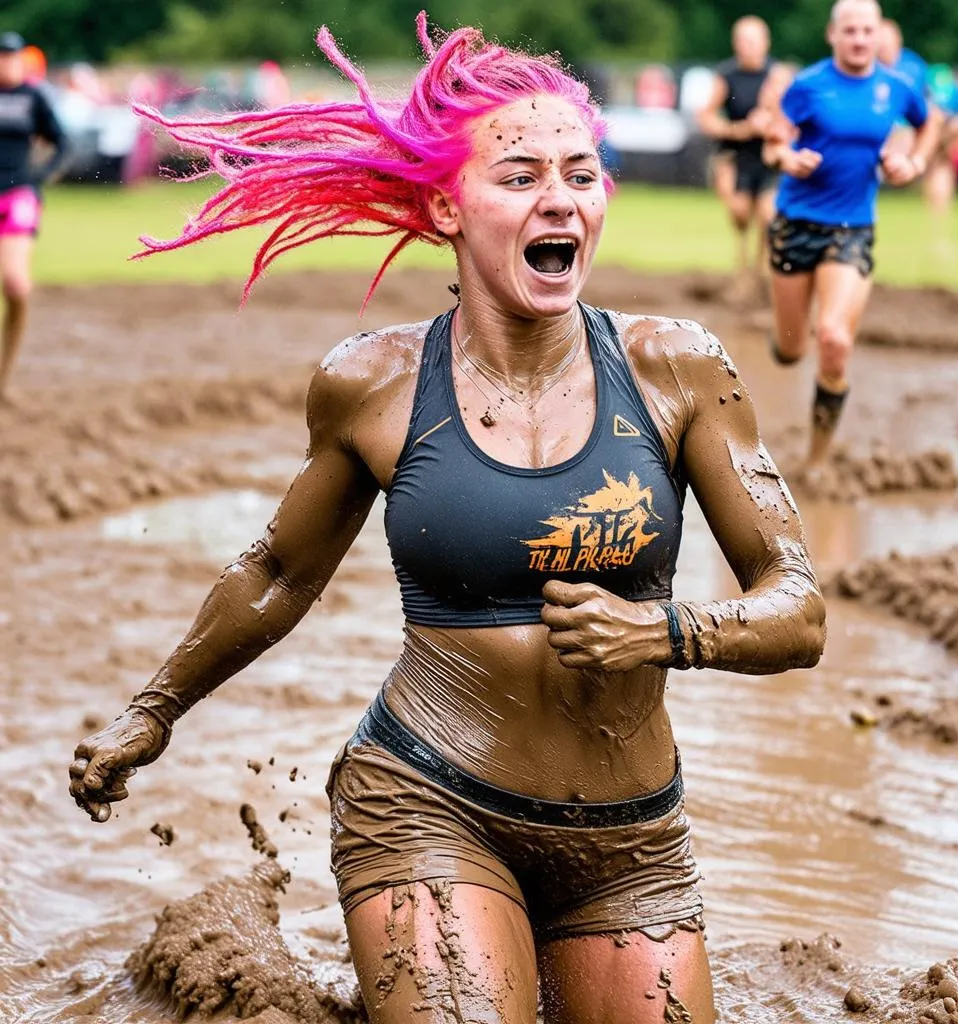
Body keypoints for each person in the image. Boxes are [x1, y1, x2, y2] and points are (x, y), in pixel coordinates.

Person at [68, 15, 825, 1024]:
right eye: (519, 176)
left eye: (580, 172)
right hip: (427, 800)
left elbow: (799, 607)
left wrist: (665, 630)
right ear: (444, 205)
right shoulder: (371, 382)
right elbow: (279, 573)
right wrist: (153, 710)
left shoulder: (675, 367)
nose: (560, 196)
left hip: (631, 843)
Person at [762, 0, 942, 468]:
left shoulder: (897, 87)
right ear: (833, 35)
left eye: (867, 31)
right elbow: (774, 141)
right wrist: (788, 158)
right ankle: (785, 338)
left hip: (853, 228)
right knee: (789, 349)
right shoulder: (808, 86)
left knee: (835, 338)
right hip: (796, 223)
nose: (860, 40)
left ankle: (818, 459)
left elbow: (930, 123)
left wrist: (914, 162)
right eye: (851, 31)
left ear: (878, 34)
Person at [0, 30, 68, 402]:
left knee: (15, 285)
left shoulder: (32, 97)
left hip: (18, 192)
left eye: (12, 56)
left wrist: (42, 175)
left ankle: (4, 376)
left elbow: (61, 141)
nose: (6, 62)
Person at [697, 16, 776, 287]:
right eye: (743, 40)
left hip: (768, 156)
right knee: (740, 211)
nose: (749, 46)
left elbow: (792, 117)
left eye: (753, 40)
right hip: (735, 155)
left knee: (768, 216)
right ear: (735, 44)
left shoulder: (777, 76)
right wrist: (737, 129)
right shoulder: (726, 75)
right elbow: (706, 116)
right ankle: (742, 260)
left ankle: (759, 269)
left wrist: (769, 122)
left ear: (766, 43)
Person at [877, 19, 958, 248]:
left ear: (899, 40)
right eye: (881, 40)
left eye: (890, 40)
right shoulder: (867, 70)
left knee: (950, 136)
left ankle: (940, 230)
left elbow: (935, 103)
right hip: (889, 136)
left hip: (916, 134)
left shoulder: (914, 66)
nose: (885, 45)